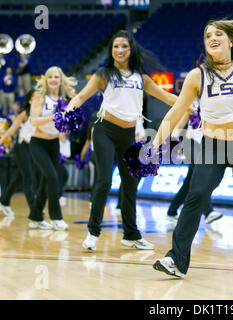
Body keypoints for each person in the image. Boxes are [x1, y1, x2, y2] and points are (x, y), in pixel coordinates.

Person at [151, 14, 233, 278]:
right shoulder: (197, 76)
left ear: (231, 41)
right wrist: (154, 146)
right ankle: (175, 259)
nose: (212, 38)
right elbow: (174, 113)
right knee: (196, 196)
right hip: (212, 146)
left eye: (218, 34)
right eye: (207, 35)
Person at [66, 30, 180, 251]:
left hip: (128, 135)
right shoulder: (103, 74)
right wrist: (67, 111)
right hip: (104, 130)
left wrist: (191, 103)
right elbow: (80, 97)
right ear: (111, 50)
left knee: (130, 184)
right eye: (115, 46)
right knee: (104, 180)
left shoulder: (142, 78)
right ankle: (93, 232)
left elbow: (167, 97)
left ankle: (131, 234)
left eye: (124, 46)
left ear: (131, 49)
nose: (119, 50)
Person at [28, 66, 77, 231]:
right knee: (52, 176)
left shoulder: (64, 100)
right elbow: (34, 121)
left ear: (61, 80)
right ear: (46, 80)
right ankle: (56, 217)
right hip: (38, 143)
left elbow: (64, 123)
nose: (53, 80)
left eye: (56, 76)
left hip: (54, 144)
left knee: (45, 182)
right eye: (50, 77)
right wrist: (54, 116)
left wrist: (64, 130)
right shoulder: (40, 97)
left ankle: (35, 218)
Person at [166, 100, 222, 224]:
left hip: (205, 145)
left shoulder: (214, 102)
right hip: (190, 143)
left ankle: (172, 211)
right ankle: (208, 212)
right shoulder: (192, 104)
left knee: (189, 182)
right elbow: (180, 125)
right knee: (201, 176)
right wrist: (174, 143)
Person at [0, 89, 37, 217]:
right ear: (29, 100)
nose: (39, 100)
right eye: (35, 98)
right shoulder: (24, 114)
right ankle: (35, 211)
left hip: (33, 149)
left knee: (19, 178)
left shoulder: (42, 113)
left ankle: (4, 201)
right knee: (28, 177)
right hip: (22, 147)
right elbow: (11, 131)